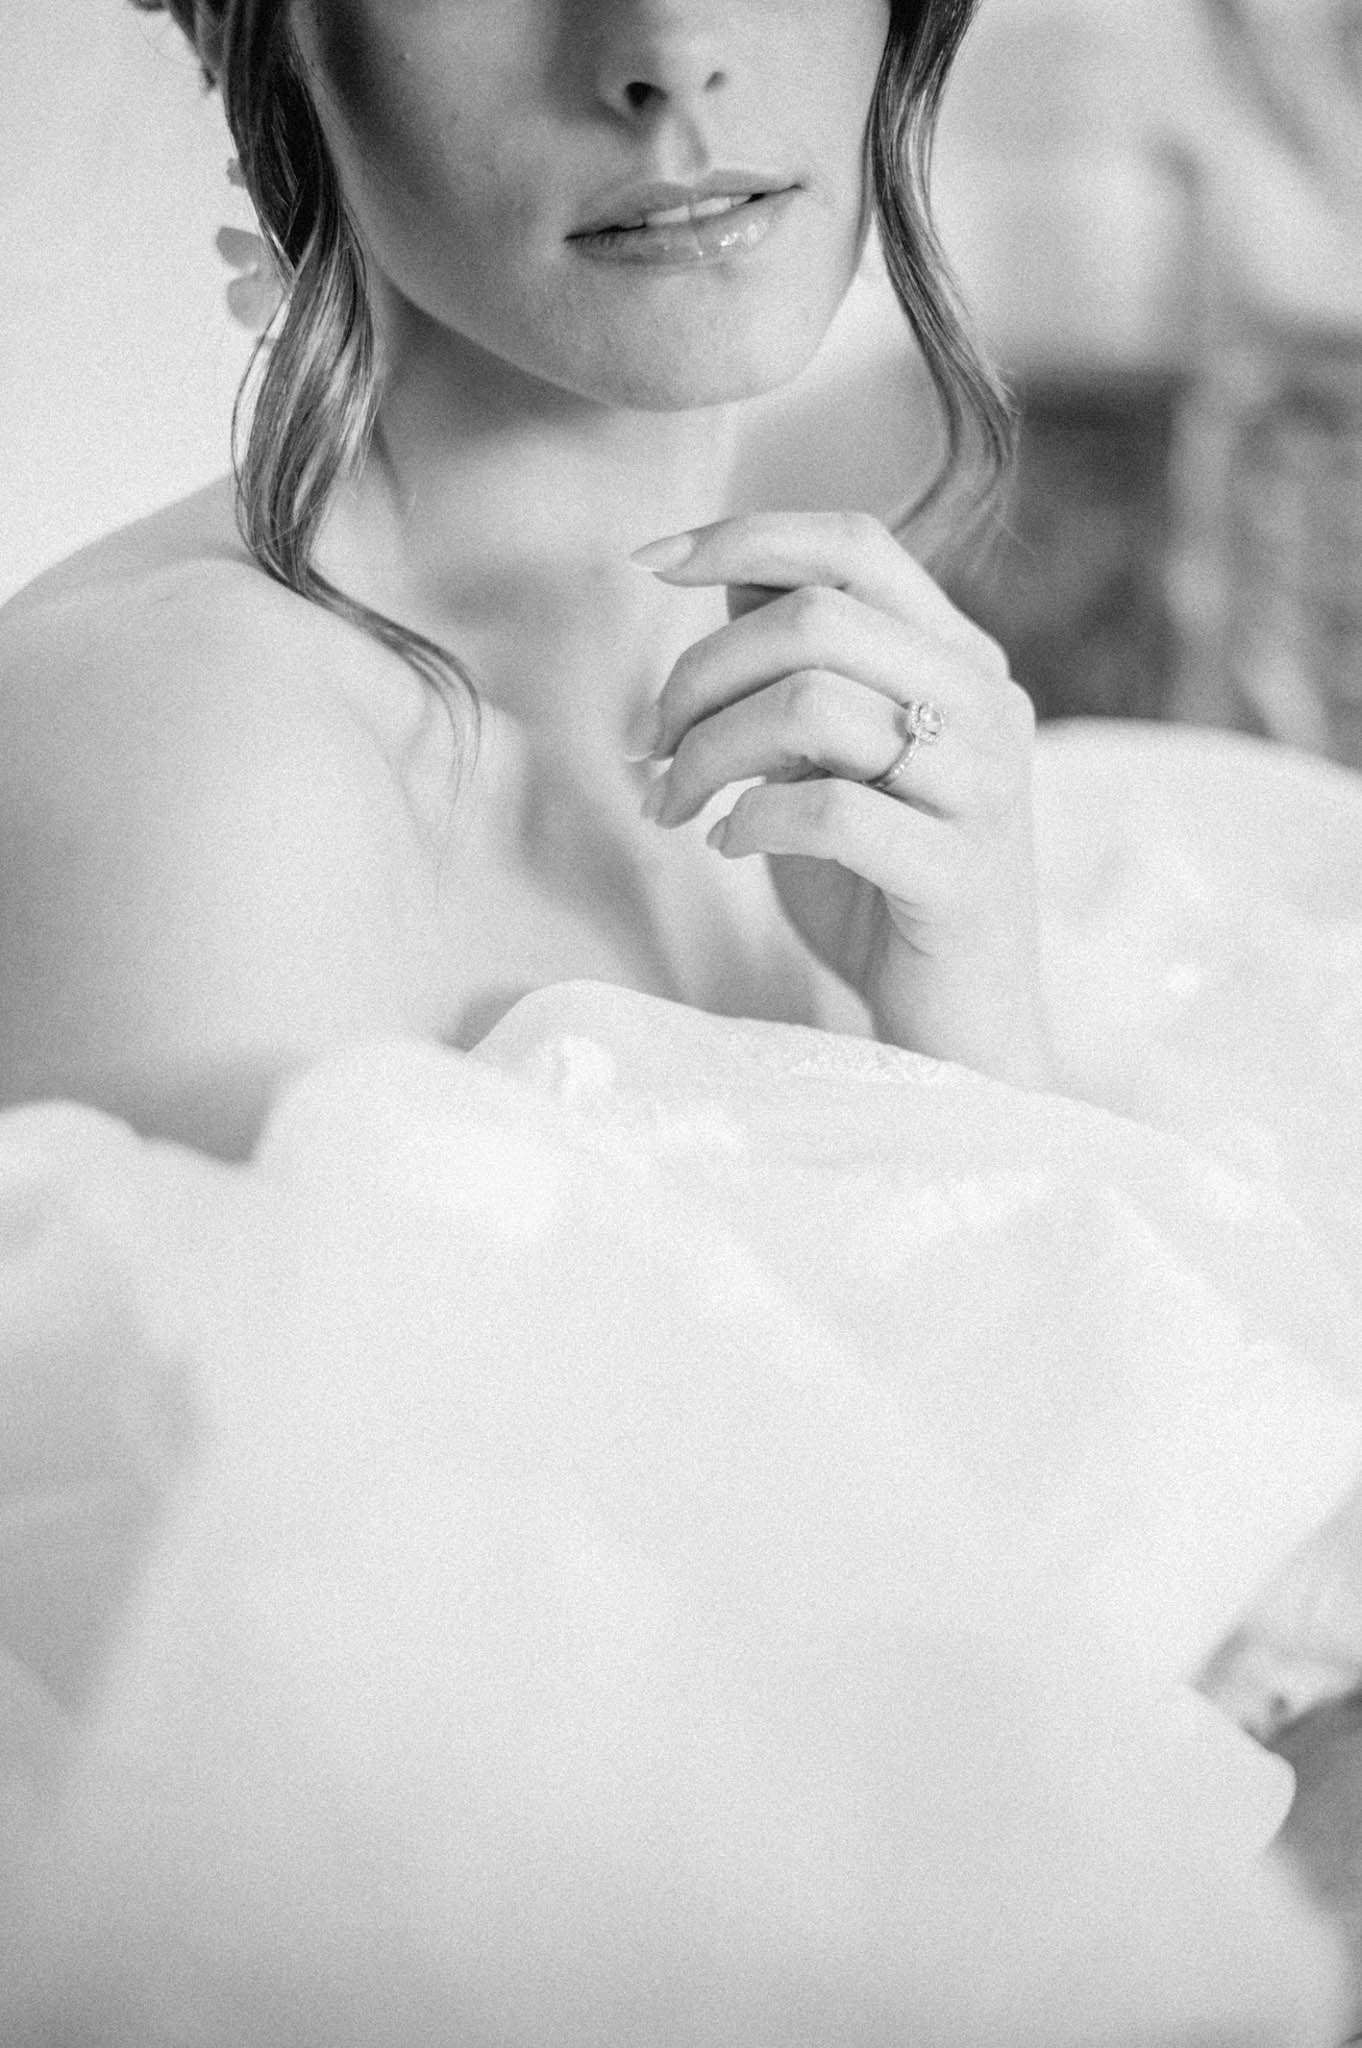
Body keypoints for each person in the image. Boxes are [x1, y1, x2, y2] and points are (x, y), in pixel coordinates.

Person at [0, 3, 1360, 2041]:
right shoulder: (197, 749)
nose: (666, 54)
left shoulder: (866, 712)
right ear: (282, 41)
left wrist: (976, 1046)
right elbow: (357, 1882)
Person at [0, 0, 1049, 1165]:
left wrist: (980, 1046)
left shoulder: (856, 742)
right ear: (245, 33)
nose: (674, 52)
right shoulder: (190, 772)